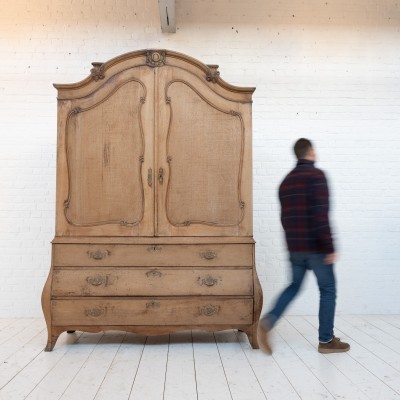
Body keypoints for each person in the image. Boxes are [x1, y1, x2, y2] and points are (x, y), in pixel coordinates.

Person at [257, 138, 350, 354]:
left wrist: (291, 244)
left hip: (295, 247)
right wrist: (329, 247)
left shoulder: (285, 182)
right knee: (328, 290)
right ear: (309, 151)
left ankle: (268, 322)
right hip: (316, 247)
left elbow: (285, 218)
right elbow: (321, 216)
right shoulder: (317, 176)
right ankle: (326, 341)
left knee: (294, 286)